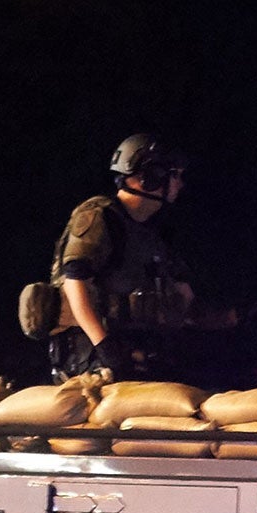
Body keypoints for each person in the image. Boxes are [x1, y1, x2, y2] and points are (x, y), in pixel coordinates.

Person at [43, 134, 197, 379]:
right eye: (174, 175)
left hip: (133, 353)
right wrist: (104, 346)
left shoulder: (149, 234)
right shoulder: (101, 217)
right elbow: (75, 282)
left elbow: (182, 297)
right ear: (151, 176)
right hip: (92, 361)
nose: (180, 184)